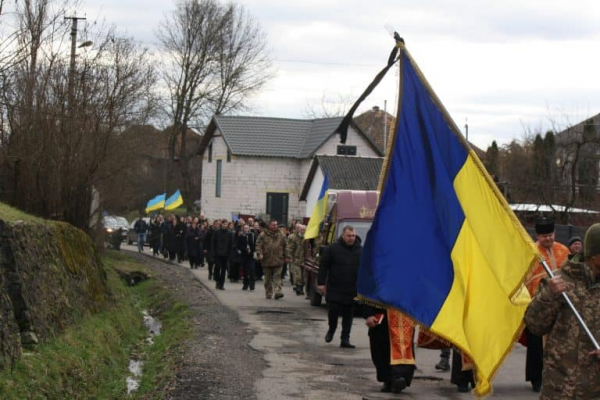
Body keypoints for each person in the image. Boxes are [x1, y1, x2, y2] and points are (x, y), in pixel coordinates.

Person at [524, 223, 600, 399]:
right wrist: (549, 295)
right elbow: (534, 326)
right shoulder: (560, 280)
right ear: (595, 256)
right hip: (560, 388)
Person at [523, 217, 570, 392]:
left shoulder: (563, 250)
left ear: (554, 234)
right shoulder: (531, 252)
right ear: (538, 236)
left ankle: (560, 378)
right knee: (536, 344)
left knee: (561, 343)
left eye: (550, 235)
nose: (548, 239)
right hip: (539, 304)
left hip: (561, 305)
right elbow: (527, 278)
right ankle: (536, 379)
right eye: (544, 236)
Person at [318, 226, 361, 348]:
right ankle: (332, 329)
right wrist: (321, 283)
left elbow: (366, 270)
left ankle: (345, 339)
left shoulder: (360, 250)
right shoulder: (333, 248)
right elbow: (324, 265)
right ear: (343, 236)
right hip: (335, 288)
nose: (351, 238)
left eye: (353, 236)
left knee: (348, 316)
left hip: (352, 289)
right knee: (333, 312)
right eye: (349, 236)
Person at [364, 305, 415, 393]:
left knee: (403, 350)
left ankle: (399, 378)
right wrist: (369, 314)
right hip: (382, 317)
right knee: (380, 351)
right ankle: (388, 380)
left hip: (404, 318)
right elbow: (367, 294)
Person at [256, 220, 288, 299]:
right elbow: (258, 245)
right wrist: (259, 254)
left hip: (278, 259)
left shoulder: (281, 234)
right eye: (274, 225)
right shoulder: (263, 235)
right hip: (267, 260)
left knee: (277, 276)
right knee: (267, 279)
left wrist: (287, 256)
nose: (275, 226)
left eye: (276, 225)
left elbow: (286, 245)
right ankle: (269, 292)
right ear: (269, 226)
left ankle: (278, 292)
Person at [211, 219, 233, 290]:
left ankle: (221, 284)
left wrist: (229, 254)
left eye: (226, 224)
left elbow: (231, 244)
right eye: (223, 224)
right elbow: (213, 243)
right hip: (218, 254)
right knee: (217, 267)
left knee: (223, 270)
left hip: (225, 255)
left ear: (227, 225)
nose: (224, 225)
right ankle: (217, 280)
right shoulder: (217, 232)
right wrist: (213, 253)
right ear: (221, 225)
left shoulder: (230, 233)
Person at [287, 224, 307, 295]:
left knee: (304, 276)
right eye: (301, 230)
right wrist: (290, 257)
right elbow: (290, 248)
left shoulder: (307, 238)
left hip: (305, 260)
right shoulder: (294, 237)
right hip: (296, 259)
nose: (302, 231)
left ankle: (301, 288)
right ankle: (298, 288)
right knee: (298, 275)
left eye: (304, 230)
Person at [237, 224, 256, 291]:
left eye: (247, 228)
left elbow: (255, 245)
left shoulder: (252, 236)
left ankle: (252, 285)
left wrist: (251, 250)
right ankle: (245, 284)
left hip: (251, 256)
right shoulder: (241, 236)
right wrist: (245, 249)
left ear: (249, 229)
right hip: (244, 256)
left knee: (251, 270)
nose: (246, 229)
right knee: (245, 271)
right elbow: (238, 246)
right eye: (244, 228)